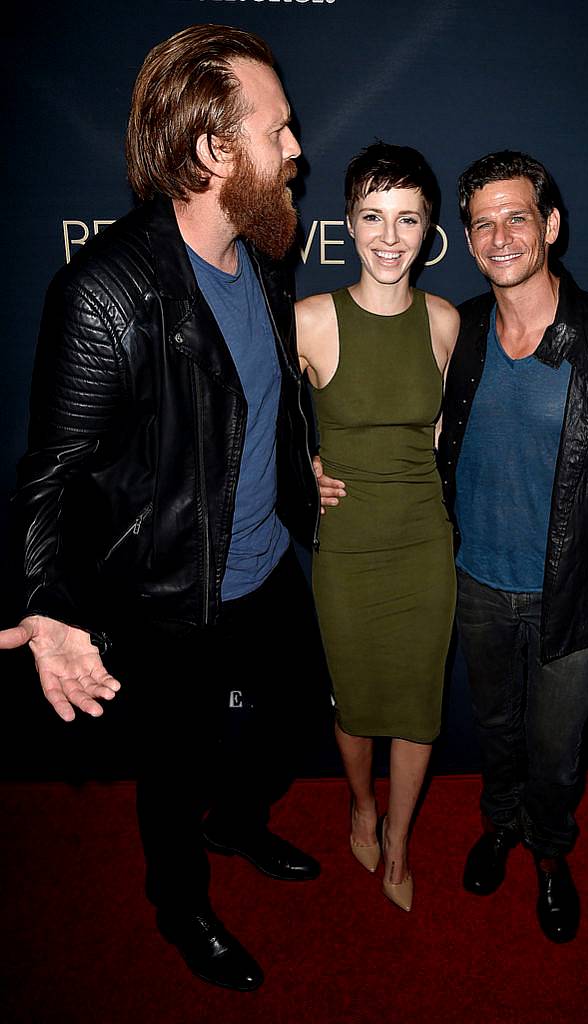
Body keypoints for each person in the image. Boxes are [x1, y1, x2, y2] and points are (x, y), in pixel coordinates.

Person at [0, 25, 343, 991]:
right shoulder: (106, 292)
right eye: (278, 131)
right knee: (172, 770)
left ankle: (237, 826)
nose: (296, 152)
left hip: (268, 564)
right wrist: (47, 601)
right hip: (170, 597)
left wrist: (292, 467)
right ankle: (181, 901)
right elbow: (51, 473)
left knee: (288, 720)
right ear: (212, 151)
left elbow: (250, 406)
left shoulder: (267, 258)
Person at [438, 150, 588, 942]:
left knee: (557, 750)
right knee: (495, 728)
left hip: (572, 596)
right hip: (475, 584)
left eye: (517, 217)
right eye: (482, 223)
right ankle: (499, 823)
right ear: (467, 239)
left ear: (551, 225)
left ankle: (549, 852)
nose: (500, 235)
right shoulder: (456, 332)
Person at [295, 143, 459, 912]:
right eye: (372, 217)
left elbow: (438, 442)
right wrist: (300, 471)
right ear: (349, 224)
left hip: (424, 546)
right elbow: (250, 426)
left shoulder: (445, 322)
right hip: (348, 550)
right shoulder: (309, 320)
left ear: (428, 232)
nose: (388, 238)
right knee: (357, 703)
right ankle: (362, 804)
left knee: (419, 705)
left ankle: (397, 841)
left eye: (407, 220)